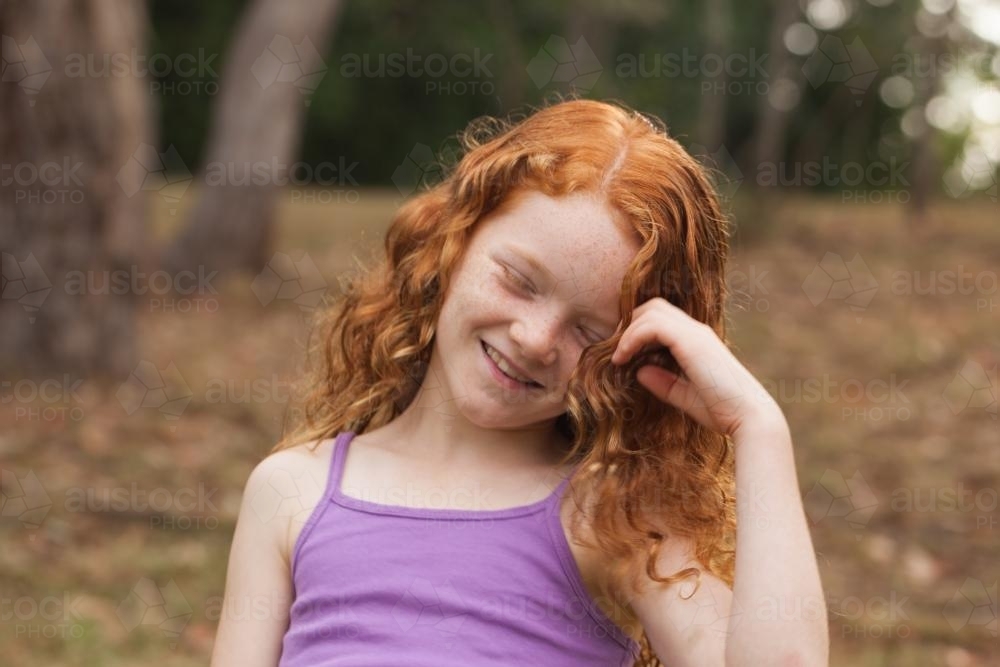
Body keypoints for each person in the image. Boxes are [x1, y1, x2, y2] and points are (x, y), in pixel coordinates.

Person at [209, 97, 829, 667]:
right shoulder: (293, 492)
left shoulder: (608, 519)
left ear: (635, 358)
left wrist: (758, 428)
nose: (535, 339)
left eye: (590, 331)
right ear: (454, 240)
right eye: (519, 280)